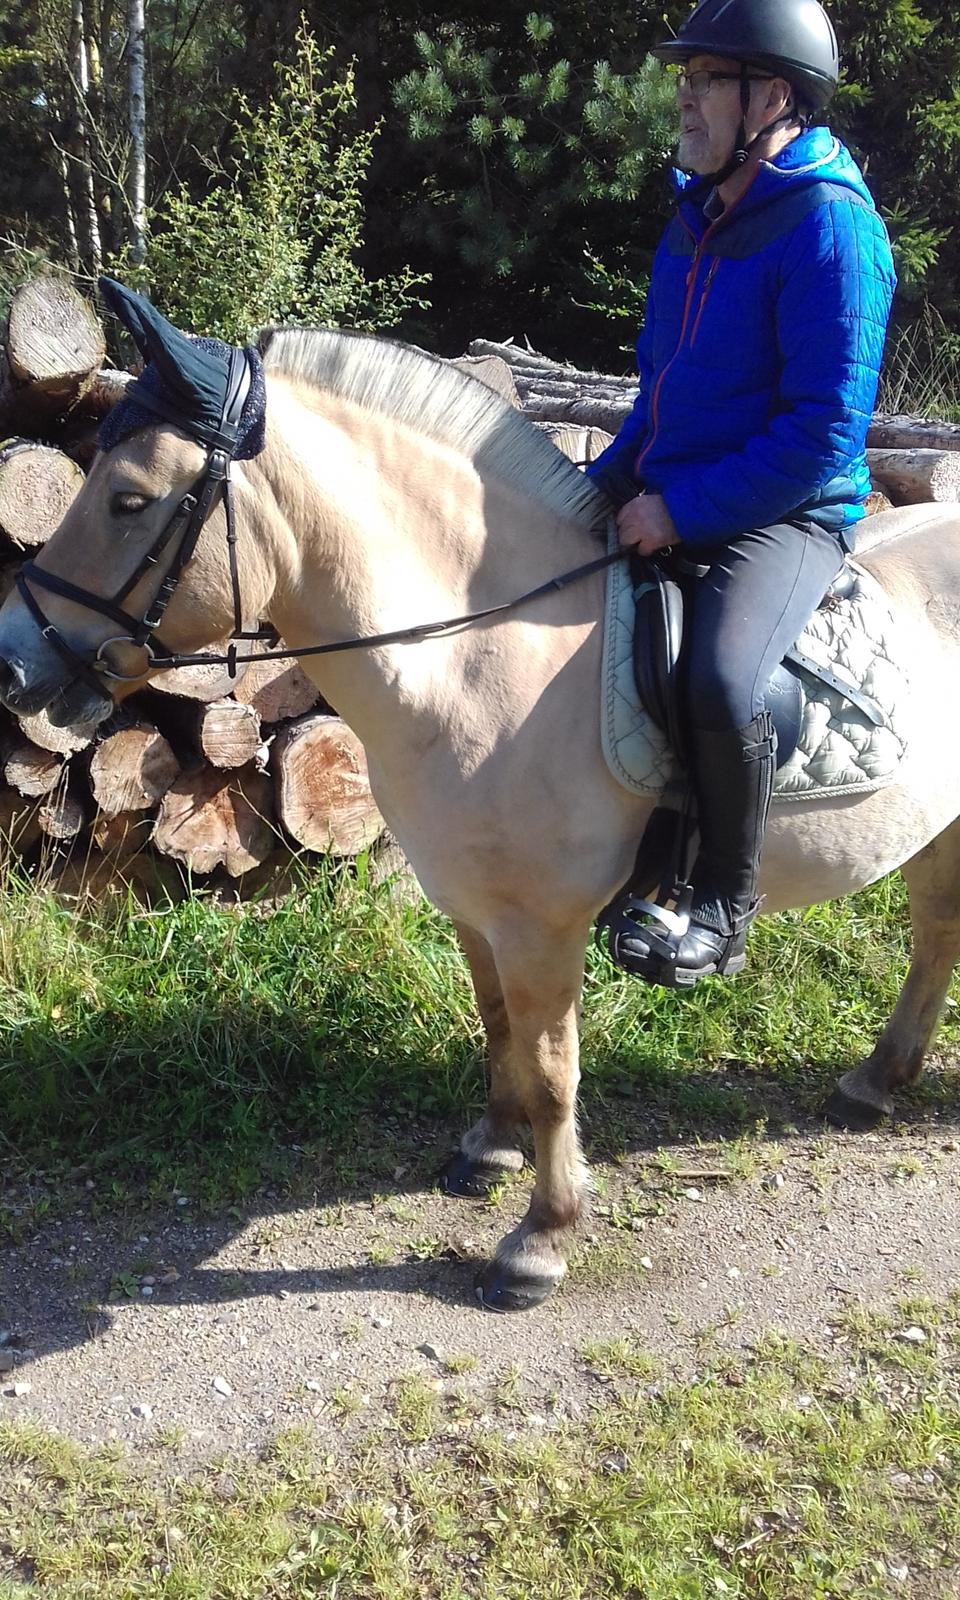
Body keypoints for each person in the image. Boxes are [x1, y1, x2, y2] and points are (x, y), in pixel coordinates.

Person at [587, 0, 896, 988]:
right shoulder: (696, 218)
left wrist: (680, 514)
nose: (685, 96)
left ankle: (723, 902)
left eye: (708, 78)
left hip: (791, 512)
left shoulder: (832, 231)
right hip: (678, 482)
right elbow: (660, 393)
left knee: (721, 676)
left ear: (774, 97)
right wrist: (595, 489)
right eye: (688, 76)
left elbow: (820, 438)